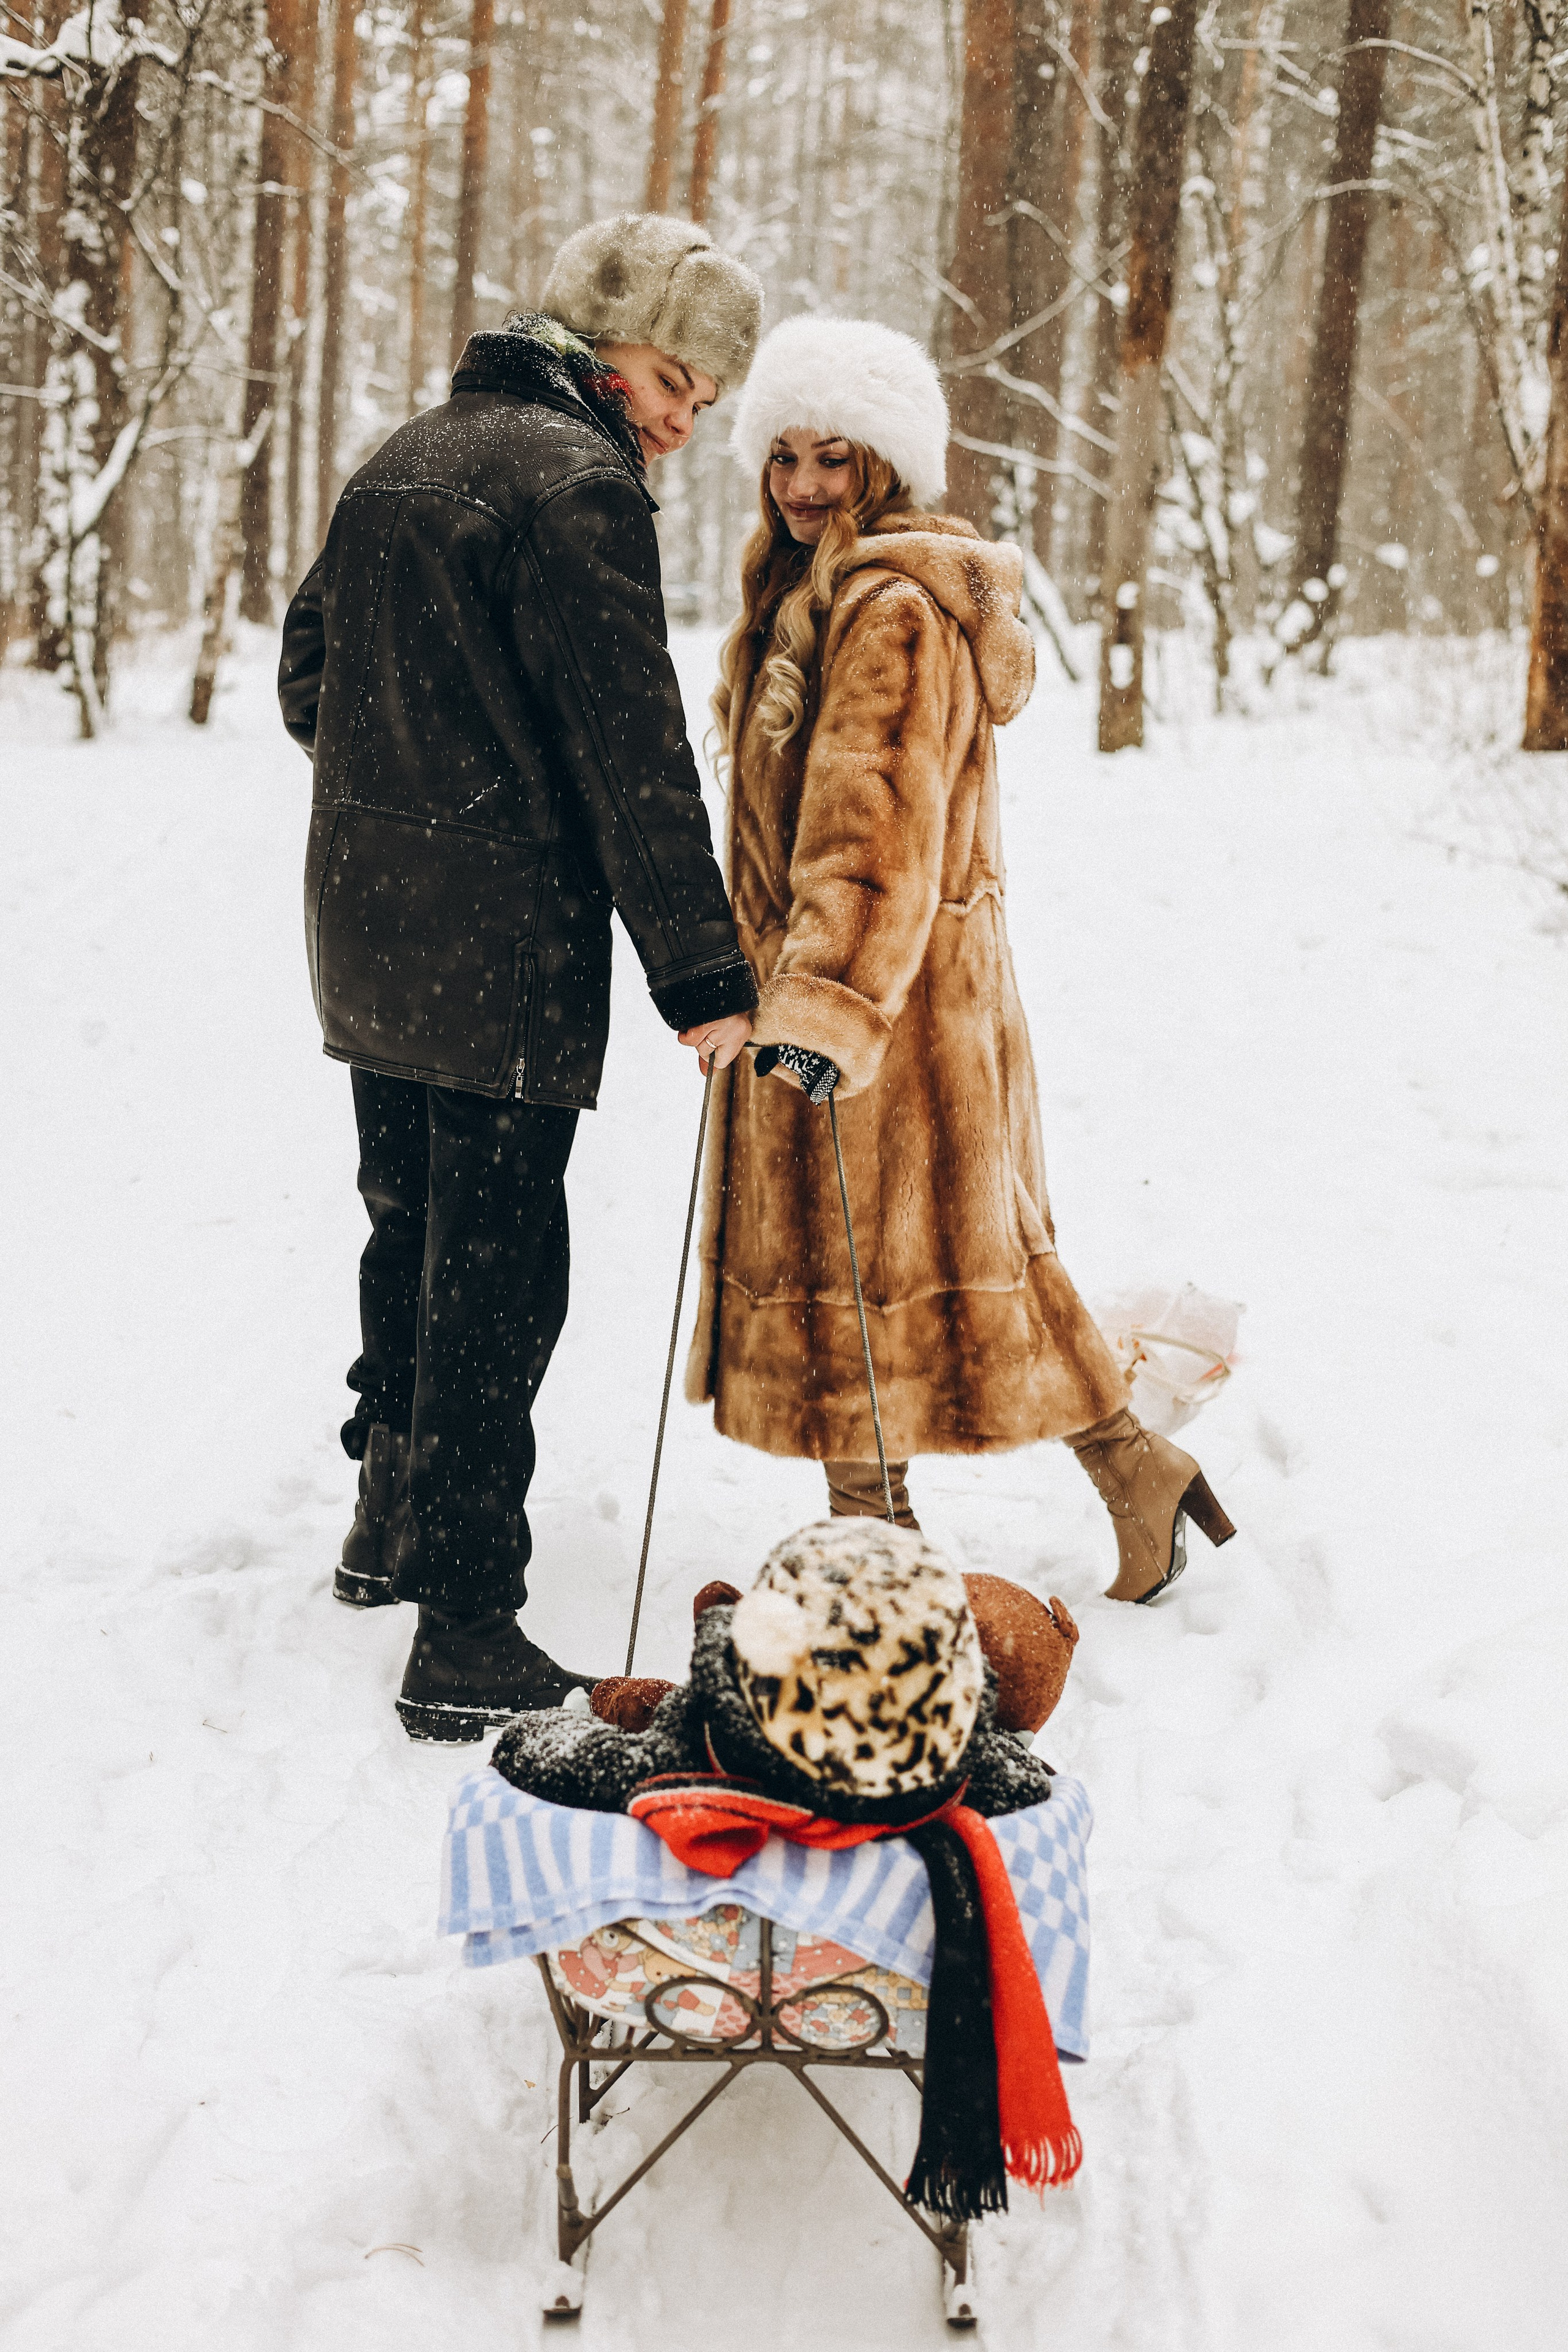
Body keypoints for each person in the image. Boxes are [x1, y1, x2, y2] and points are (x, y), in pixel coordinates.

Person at [278, 214, 761, 1742]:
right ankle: (468, 1629)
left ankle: (386, 1525)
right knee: (496, 1277)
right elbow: (633, 762)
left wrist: (415, 788)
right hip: (500, 952)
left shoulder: (402, 454)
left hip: (370, 922)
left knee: (407, 1226)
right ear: (598, 346)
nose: (683, 417)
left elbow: (311, 678)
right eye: (673, 377)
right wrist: (703, 976)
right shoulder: (577, 486)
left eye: (706, 397)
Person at [683, 315, 1235, 1602]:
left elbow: (871, 832)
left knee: (854, 1284)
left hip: (878, 1002)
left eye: (834, 458)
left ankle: (874, 1560)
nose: (804, 485)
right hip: (899, 995)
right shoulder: (820, 596)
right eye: (782, 457)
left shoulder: (887, 610)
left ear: (885, 464)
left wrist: (817, 1009)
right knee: (964, 1271)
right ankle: (1126, 1471)